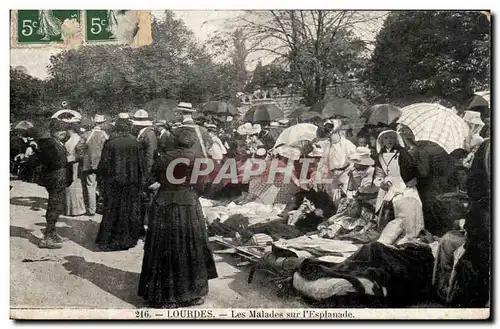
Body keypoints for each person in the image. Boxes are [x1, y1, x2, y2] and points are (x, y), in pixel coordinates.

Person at [138, 126, 218, 308]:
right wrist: (191, 194)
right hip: (187, 204)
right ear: (191, 142)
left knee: (163, 246)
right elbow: (204, 184)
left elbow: (150, 180)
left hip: (164, 203)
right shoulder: (198, 159)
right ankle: (190, 293)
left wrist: (164, 186)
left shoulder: (163, 158)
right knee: (190, 246)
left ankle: (162, 295)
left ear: (175, 140)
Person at [95, 117, 144, 251]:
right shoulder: (136, 143)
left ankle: (110, 240)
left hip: (114, 182)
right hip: (131, 183)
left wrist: (101, 181)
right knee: (129, 210)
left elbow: (104, 165)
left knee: (112, 210)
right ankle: (127, 240)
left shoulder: (110, 143)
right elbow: (141, 165)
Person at [372, 130, 424, 238]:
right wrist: (381, 183)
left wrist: (407, 182)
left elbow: (411, 171)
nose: (389, 140)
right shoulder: (380, 156)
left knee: (408, 211)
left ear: (396, 139)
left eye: (392, 137)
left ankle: (409, 236)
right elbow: (379, 173)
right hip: (388, 186)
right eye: (386, 138)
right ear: (381, 140)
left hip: (404, 185)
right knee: (386, 212)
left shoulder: (403, 153)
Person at [33, 120, 71, 249]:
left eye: (64, 130)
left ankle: (53, 233)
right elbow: (52, 162)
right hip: (55, 179)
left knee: (57, 205)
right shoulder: (50, 143)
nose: (63, 132)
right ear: (53, 132)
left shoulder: (57, 142)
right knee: (54, 206)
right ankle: (47, 238)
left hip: (58, 178)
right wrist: (68, 159)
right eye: (59, 130)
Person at [76, 114, 109, 216]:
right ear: (103, 123)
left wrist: (84, 156)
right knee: (103, 186)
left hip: (90, 164)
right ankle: (103, 207)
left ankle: (91, 209)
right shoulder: (106, 135)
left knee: (91, 186)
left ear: (94, 122)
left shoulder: (87, 134)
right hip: (103, 164)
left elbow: (79, 147)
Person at [131, 110, 158, 234]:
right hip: (142, 172)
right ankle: (140, 225)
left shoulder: (149, 134)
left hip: (146, 174)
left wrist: (146, 176)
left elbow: (150, 157)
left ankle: (146, 226)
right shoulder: (144, 133)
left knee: (147, 201)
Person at [64, 121, 86, 216]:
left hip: (71, 163)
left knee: (71, 186)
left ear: (70, 130)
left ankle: (70, 209)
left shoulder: (71, 140)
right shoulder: (79, 138)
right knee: (76, 186)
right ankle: (78, 209)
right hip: (76, 163)